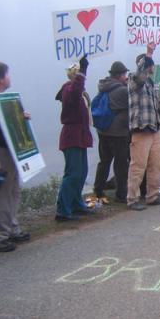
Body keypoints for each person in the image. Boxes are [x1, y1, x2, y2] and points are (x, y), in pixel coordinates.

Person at [127, 42, 160, 211]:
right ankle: (132, 198)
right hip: (141, 128)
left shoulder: (151, 84)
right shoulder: (134, 79)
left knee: (156, 164)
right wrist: (149, 54)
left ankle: (153, 195)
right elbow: (140, 77)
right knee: (138, 166)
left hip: (154, 128)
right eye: (149, 66)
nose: (152, 68)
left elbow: (154, 106)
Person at [55, 56, 94, 221]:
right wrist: (83, 71)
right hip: (72, 136)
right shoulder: (69, 89)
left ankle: (76, 203)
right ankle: (63, 210)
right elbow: (77, 89)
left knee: (82, 172)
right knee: (73, 173)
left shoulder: (78, 91)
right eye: (79, 74)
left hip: (80, 135)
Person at [0, 62, 30, 251]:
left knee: (13, 190)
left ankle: (12, 228)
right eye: (7, 75)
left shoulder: (5, 100)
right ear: (1, 79)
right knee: (3, 193)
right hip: (1, 152)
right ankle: (1, 235)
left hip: (12, 151)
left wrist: (22, 118)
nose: (10, 78)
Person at [92, 61, 129, 204]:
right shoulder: (121, 90)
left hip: (103, 130)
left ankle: (98, 190)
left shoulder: (103, 87)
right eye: (125, 74)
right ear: (120, 75)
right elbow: (132, 100)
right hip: (118, 132)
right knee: (121, 164)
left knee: (104, 161)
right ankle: (121, 194)